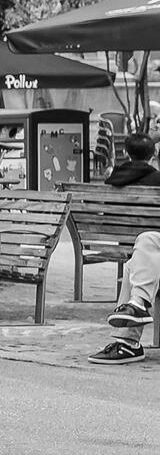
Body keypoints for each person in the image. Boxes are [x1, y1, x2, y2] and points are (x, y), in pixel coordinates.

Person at [87, 132, 160, 365]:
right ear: (154, 154)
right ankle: (132, 327)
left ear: (126, 154)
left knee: (143, 249)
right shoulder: (157, 178)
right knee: (141, 255)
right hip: (147, 254)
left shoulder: (113, 179)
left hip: (133, 246)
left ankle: (129, 334)